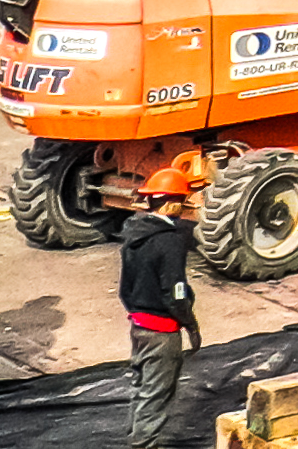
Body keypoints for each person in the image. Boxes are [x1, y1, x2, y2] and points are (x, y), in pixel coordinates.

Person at [117, 159, 200, 449]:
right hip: (162, 332)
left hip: (139, 325)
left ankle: (136, 435)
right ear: (172, 204)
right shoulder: (170, 241)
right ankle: (143, 443)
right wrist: (190, 324)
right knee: (157, 391)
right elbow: (175, 292)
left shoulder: (133, 232)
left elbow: (124, 287)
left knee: (141, 386)